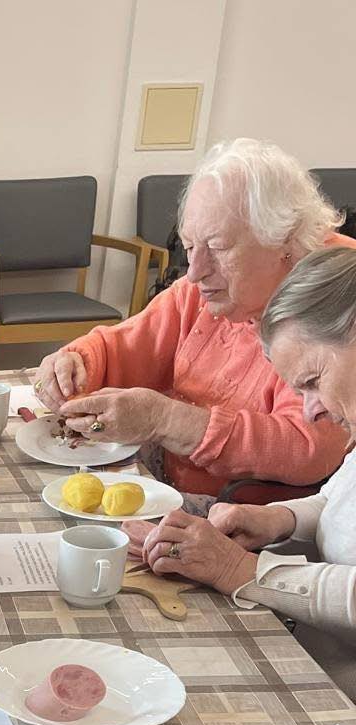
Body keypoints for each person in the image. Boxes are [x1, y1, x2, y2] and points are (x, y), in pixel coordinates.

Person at [34, 139, 356, 503]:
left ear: (284, 239)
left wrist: (164, 420)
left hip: (253, 514)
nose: (195, 272)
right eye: (189, 247)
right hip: (169, 482)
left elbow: (307, 449)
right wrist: (76, 362)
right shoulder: (207, 290)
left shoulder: (336, 291)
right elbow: (128, 346)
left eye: (218, 248)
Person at [128, 247, 356, 697]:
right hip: (313, 653)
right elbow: (337, 500)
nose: (310, 411)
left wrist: (243, 571)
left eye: (313, 382)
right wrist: (277, 519)